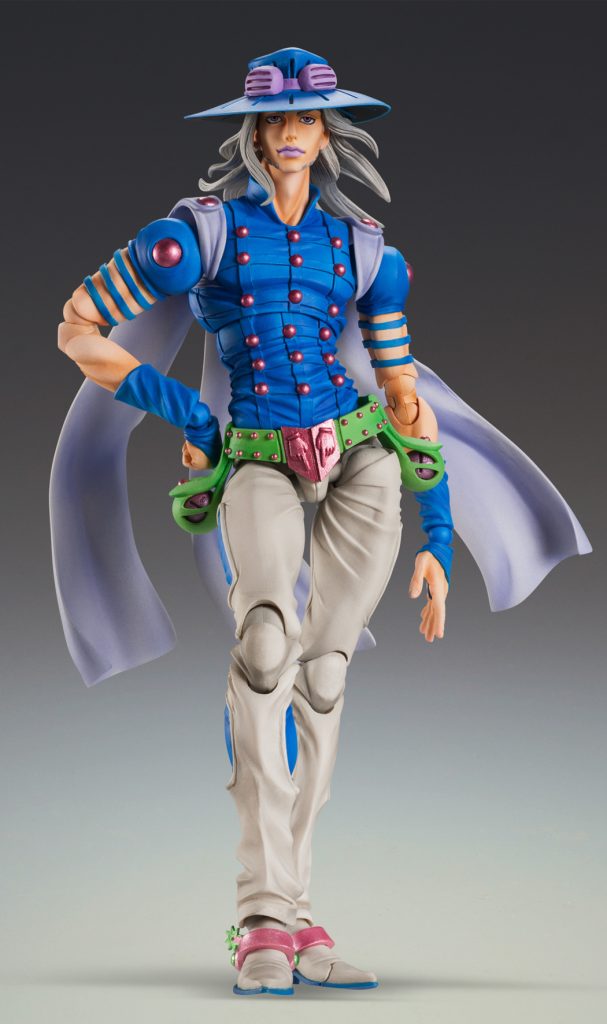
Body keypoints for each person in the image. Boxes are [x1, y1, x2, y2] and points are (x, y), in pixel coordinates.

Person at [51, 47, 590, 997]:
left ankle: (297, 916)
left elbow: (403, 399)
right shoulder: (200, 235)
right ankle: (261, 913)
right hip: (256, 453)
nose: (291, 133)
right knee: (264, 646)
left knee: (326, 673)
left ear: (328, 133)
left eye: (307, 118)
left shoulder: (366, 251)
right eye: (275, 120)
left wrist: (437, 537)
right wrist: (188, 415)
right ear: (253, 135)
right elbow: (77, 328)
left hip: (361, 458)